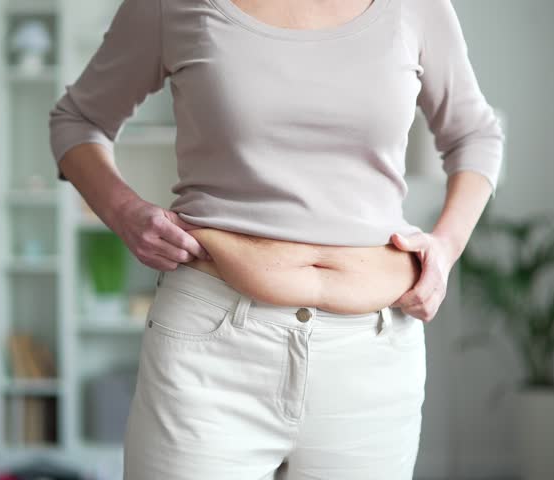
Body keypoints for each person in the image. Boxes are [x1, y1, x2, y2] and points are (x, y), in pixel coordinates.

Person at [48, 0, 504, 478]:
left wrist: (446, 249)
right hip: (212, 354)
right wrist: (124, 212)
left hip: (373, 362)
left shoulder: (417, 7)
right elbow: (78, 119)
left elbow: (475, 134)